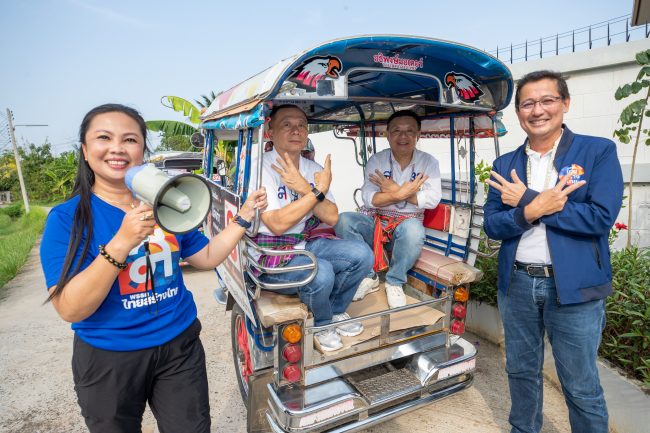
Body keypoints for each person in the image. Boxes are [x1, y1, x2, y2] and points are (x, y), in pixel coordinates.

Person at [40, 104, 267, 433]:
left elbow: (205, 257)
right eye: (104, 137)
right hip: (110, 357)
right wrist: (121, 241)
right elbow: (72, 307)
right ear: (86, 151)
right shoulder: (67, 219)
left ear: (142, 151)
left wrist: (244, 217)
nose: (118, 147)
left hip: (179, 345)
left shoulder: (167, 201)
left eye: (130, 139)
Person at [483, 70, 623, 433]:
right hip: (517, 285)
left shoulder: (597, 151)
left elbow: (600, 218)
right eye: (528, 103)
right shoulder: (505, 165)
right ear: (518, 113)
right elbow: (493, 225)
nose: (538, 110)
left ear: (565, 104)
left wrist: (529, 201)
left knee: (580, 384)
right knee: (521, 372)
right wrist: (531, 211)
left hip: (574, 289)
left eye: (547, 100)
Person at [250, 104, 374, 352]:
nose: (296, 130)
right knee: (322, 272)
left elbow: (331, 217)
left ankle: (336, 311)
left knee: (363, 255)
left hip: (304, 243)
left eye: (301, 125)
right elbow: (277, 224)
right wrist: (316, 192)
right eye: (287, 125)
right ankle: (323, 323)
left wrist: (305, 188)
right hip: (270, 254)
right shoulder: (259, 168)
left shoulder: (313, 170)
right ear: (270, 132)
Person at [335, 110, 441, 308]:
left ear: (418, 134)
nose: (403, 136)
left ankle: (394, 281)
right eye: (397, 131)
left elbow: (432, 199)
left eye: (410, 131)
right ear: (388, 135)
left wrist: (392, 190)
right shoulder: (377, 160)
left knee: (413, 230)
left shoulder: (429, 162)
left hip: (407, 227)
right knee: (344, 220)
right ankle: (369, 276)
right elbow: (369, 198)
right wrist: (401, 194)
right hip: (377, 222)